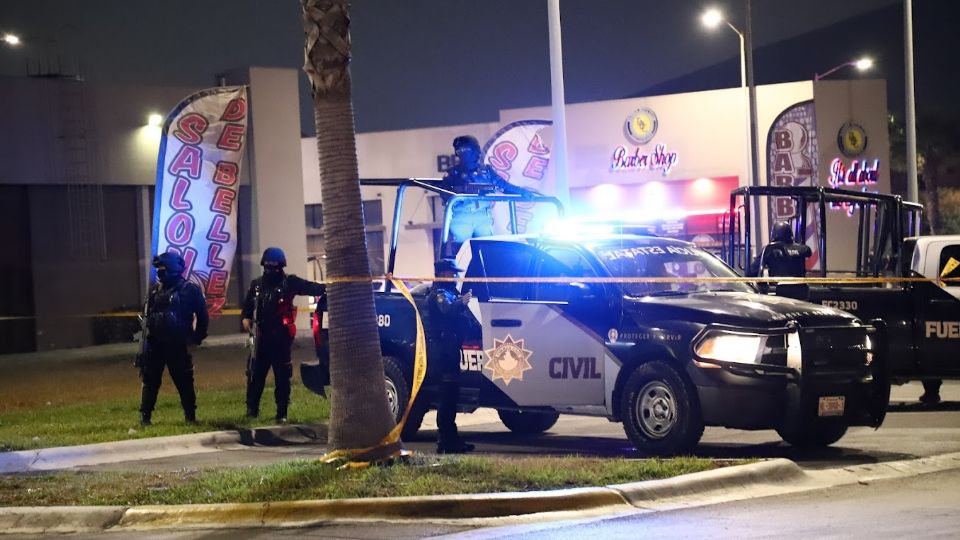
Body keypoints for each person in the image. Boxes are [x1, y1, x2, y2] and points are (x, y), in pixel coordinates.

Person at [241, 247, 327, 423]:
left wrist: (333, 286)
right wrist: (247, 322)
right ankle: (252, 410)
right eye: (268, 265)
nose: (270, 268)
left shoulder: (290, 282)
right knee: (255, 376)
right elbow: (246, 311)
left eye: (274, 265)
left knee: (282, 377)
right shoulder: (256, 285)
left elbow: (313, 288)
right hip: (261, 339)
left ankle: (282, 413)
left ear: (281, 265)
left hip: (280, 338)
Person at [138, 252, 208, 426]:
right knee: (150, 381)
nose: (160, 274)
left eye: (163, 270)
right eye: (158, 270)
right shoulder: (154, 291)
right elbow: (146, 316)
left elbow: (203, 317)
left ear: (174, 270)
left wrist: (196, 339)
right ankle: (145, 417)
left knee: (184, 381)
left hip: (178, 344)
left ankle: (190, 417)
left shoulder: (190, 290)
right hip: (155, 344)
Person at [440, 135, 536, 255]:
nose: (466, 154)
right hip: (461, 217)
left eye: (468, 150)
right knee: (461, 254)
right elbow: (444, 194)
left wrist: (522, 192)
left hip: (483, 217)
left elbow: (504, 186)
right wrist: (463, 191)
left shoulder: (486, 171)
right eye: (461, 151)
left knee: (486, 251)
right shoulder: (453, 173)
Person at [427, 258, 475, 453]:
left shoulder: (450, 292)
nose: (456, 277)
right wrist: (461, 302)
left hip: (451, 349)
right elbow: (446, 310)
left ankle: (451, 439)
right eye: (452, 273)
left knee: (452, 396)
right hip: (443, 352)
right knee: (447, 397)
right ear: (443, 274)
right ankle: (445, 441)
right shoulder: (439, 294)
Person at [750, 221, 813, 300]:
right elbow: (808, 251)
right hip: (802, 291)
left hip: (780, 292)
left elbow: (752, 271)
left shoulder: (770, 249)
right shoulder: (802, 249)